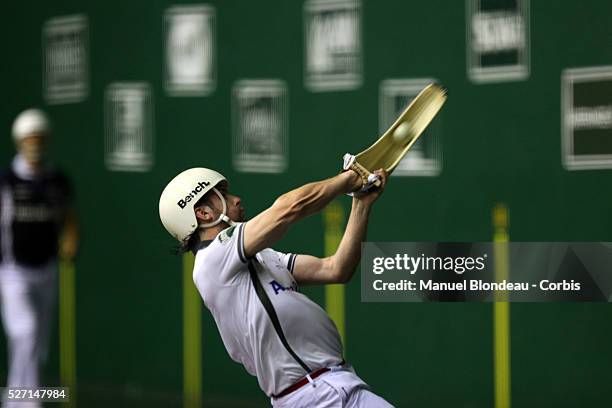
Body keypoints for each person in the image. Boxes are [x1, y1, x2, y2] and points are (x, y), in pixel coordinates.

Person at [159, 161, 394, 407]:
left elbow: (335, 269)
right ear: (204, 213)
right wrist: (348, 179)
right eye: (224, 196)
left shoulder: (262, 257)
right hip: (317, 394)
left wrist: (361, 204)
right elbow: (288, 208)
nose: (236, 199)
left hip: (328, 387)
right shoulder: (212, 258)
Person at [0, 109, 78, 406]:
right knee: (26, 332)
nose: (35, 145)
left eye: (40, 139)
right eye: (29, 139)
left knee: (37, 342)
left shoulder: (57, 181)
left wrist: (71, 239)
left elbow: (69, 218)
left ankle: (14, 399)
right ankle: (31, 401)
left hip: (47, 269)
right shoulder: (6, 181)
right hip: (12, 271)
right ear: (19, 142)